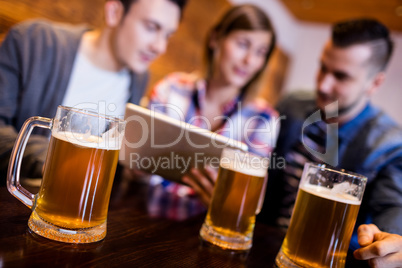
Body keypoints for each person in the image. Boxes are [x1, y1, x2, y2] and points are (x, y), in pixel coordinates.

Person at [258, 17, 402, 252]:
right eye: (323, 67)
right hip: (264, 246)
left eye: (341, 76)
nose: (323, 85)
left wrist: (391, 241)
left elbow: (392, 211)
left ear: (374, 83)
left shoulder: (391, 146)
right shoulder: (292, 107)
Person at [0, 0, 187, 180]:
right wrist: (51, 160)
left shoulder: (138, 78)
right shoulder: (34, 42)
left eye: (168, 36)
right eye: (151, 27)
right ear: (114, 13)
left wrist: (134, 168)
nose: (160, 47)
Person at [145, 4, 279, 220]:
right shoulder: (170, 89)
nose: (249, 60)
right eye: (243, 44)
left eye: (260, 52)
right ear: (215, 39)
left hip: (205, 230)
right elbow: (139, 169)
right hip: (145, 216)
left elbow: (249, 201)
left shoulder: (264, 119)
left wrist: (229, 201)